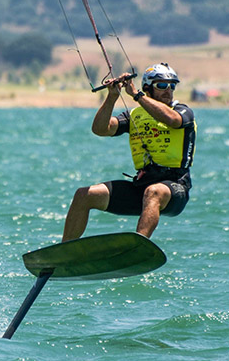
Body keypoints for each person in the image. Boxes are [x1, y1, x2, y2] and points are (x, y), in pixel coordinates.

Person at [62, 63, 196, 241]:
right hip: (140, 188)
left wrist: (136, 95)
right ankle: (65, 252)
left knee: (153, 191)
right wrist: (112, 97)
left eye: (172, 86)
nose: (168, 90)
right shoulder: (134, 115)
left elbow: (172, 121)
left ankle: (138, 245)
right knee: (83, 195)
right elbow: (101, 129)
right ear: (148, 88)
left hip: (174, 188)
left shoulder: (182, 111)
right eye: (162, 85)